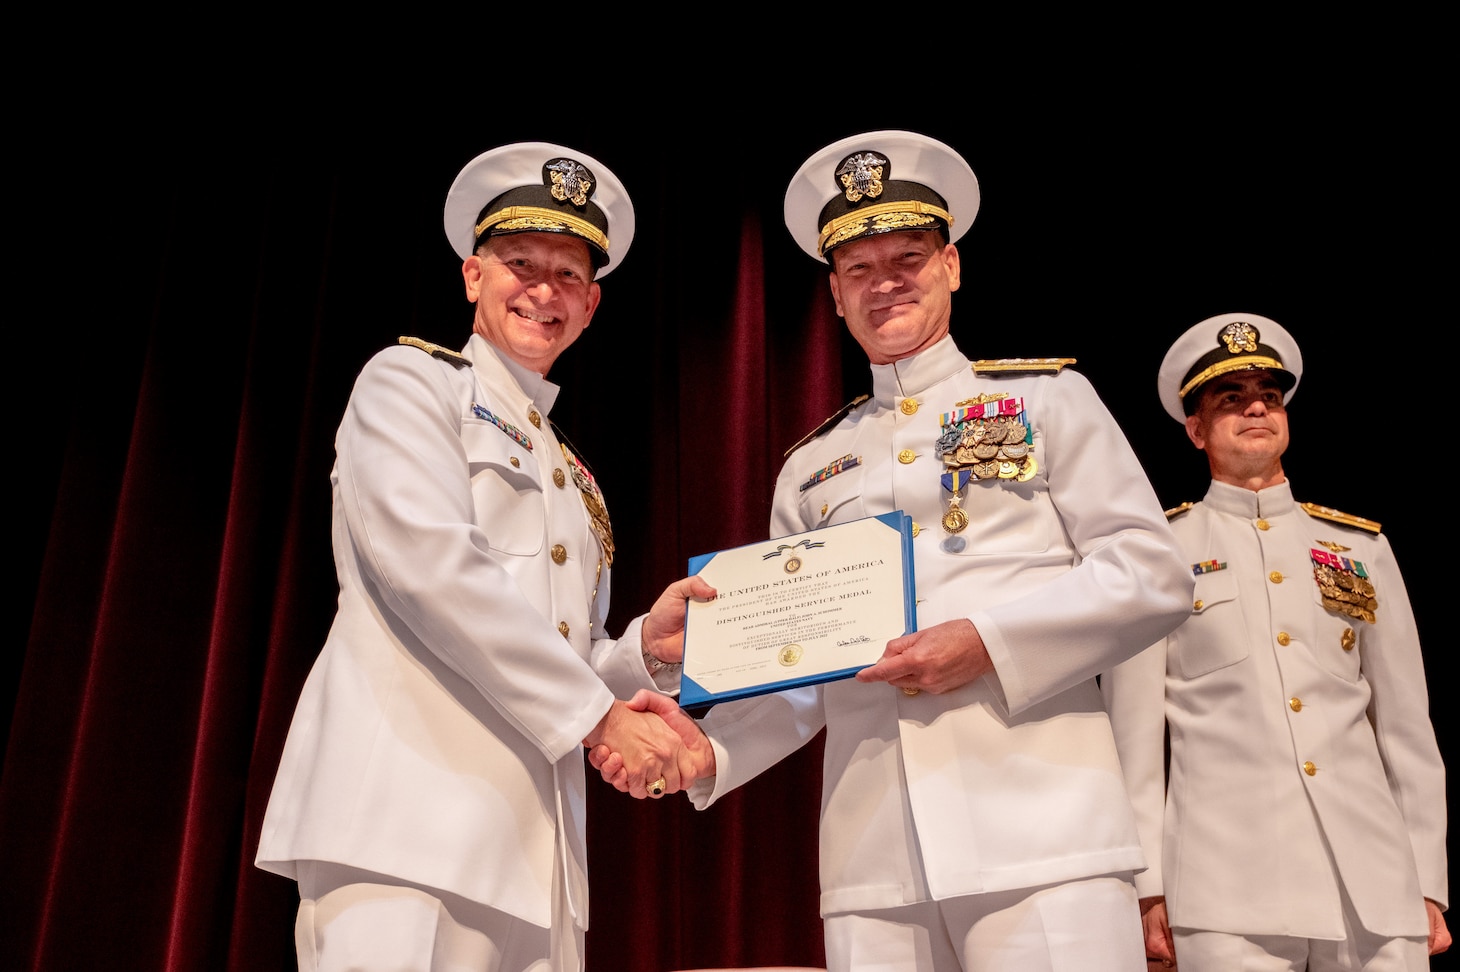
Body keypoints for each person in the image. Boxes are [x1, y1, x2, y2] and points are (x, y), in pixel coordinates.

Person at [597, 130, 1194, 970]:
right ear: (835, 295)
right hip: (876, 856)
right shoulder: (809, 468)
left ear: (951, 264)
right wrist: (712, 749)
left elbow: (1153, 572)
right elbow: (798, 672)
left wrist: (985, 642)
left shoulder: (1049, 399)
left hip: (1045, 833)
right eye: (859, 270)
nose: (885, 284)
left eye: (908, 257)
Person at [256, 141, 712, 972]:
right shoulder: (409, 384)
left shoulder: (576, 477)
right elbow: (433, 571)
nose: (544, 290)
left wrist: (642, 653)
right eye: (520, 262)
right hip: (403, 826)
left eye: (568, 275)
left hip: (538, 860)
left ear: (593, 305)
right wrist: (599, 717)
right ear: (473, 276)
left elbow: (561, 656)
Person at [1101, 312, 1450, 970]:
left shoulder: (1357, 549)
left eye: (1268, 394)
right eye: (1229, 398)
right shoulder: (1161, 554)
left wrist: (1427, 880)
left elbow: (1407, 731)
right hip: (1226, 888)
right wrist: (1146, 889)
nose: (1255, 407)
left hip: (1374, 884)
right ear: (1196, 429)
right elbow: (1135, 744)